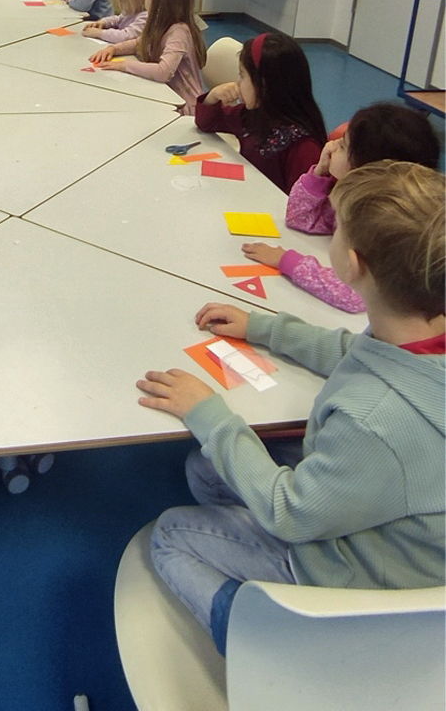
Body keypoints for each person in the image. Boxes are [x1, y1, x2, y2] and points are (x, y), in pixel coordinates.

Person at [137, 160, 445, 656]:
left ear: (354, 262)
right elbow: (357, 352)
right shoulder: (420, 334)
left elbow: (290, 513)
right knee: (205, 468)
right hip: (393, 524)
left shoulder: (373, 421)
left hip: (363, 577)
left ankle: (265, 648)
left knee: (171, 533)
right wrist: (264, 328)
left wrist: (209, 412)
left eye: (338, 225)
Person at [242, 102, 442, 313]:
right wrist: (319, 172)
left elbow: (354, 294)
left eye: (344, 146)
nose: (332, 145)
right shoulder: (357, 195)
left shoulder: (387, 221)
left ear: (365, 168)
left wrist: (287, 261)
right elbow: (300, 218)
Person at [194, 32, 326, 190]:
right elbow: (207, 123)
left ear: (263, 84)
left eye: (242, 76)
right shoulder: (254, 114)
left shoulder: (303, 147)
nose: (238, 82)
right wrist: (213, 96)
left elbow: (302, 205)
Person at [89, 0, 207, 114]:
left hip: (184, 107)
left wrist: (124, 65)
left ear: (160, 2)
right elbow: (139, 42)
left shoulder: (179, 32)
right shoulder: (160, 22)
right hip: (164, 96)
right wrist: (114, 49)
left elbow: (163, 72)